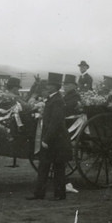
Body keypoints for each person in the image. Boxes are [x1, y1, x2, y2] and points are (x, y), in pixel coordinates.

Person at [26, 72, 72, 201]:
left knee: (57, 168)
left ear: (55, 87)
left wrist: (46, 139)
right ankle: (39, 194)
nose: (47, 87)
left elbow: (56, 122)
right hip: (53, 140)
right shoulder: (53, 99)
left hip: (57, 141)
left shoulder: (57, 100)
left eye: (50, 85)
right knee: (44, 167)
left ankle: (59, 195)